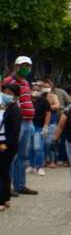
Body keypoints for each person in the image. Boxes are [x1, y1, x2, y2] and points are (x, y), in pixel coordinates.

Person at [3, 56, 37, 195]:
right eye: (23, 65)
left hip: (28, 122)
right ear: (15, 66)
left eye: (28, 66)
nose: (26, 68)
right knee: (12, 155)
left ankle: (20, 185)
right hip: (17, 122)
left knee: (23, 155)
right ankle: (7, 187)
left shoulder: (26, 82)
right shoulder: (8, 81)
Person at [0, 83, 24, 211]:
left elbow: (15, 131)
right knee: (3, 172)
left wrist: (6, 145)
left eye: (9, 93)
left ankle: (2, 200)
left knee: (3, 172)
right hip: (4, 144)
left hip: (8, 146)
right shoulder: (8, 108)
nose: (5, 95)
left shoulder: (15, 109)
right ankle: (5, 197)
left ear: (15, 95)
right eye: (4, 92)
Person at [30, 82, 51, 176]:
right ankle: (32, 166)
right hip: (28, 125)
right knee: (30, 148)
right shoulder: (27, 100)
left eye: (37, 90)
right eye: (33, 89)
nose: (35, 91)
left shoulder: (44, 101)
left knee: (38, 147)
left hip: (39, 126)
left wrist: (46, 126)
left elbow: (48, 114)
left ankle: (40, 167)